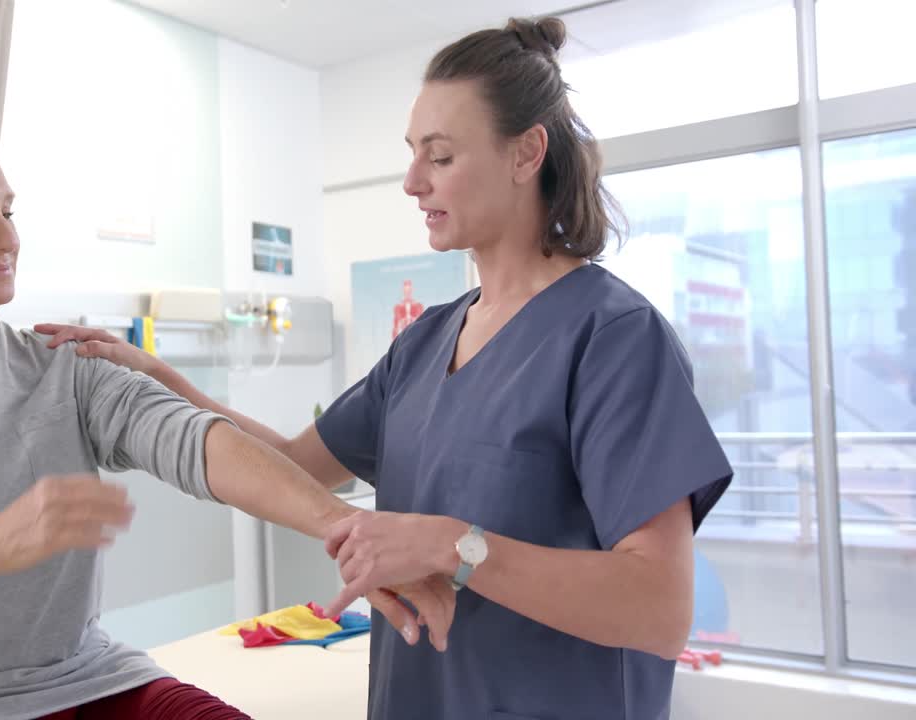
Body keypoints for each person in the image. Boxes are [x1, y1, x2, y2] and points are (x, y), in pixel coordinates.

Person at [37, 16, 732, 720]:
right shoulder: (426, 341)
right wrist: (156, 378)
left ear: (526, 154)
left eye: (440, 156)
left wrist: (453, 546)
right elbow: (291, 466)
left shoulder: (612, 337)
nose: (410, 182)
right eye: (412, 154)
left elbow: (659, 608)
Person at [0, 105, 451, 720]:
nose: (7, 238)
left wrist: (352, 534)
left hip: (90, 682)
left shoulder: (61, 365)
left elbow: (194, 440)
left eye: (8, 211)